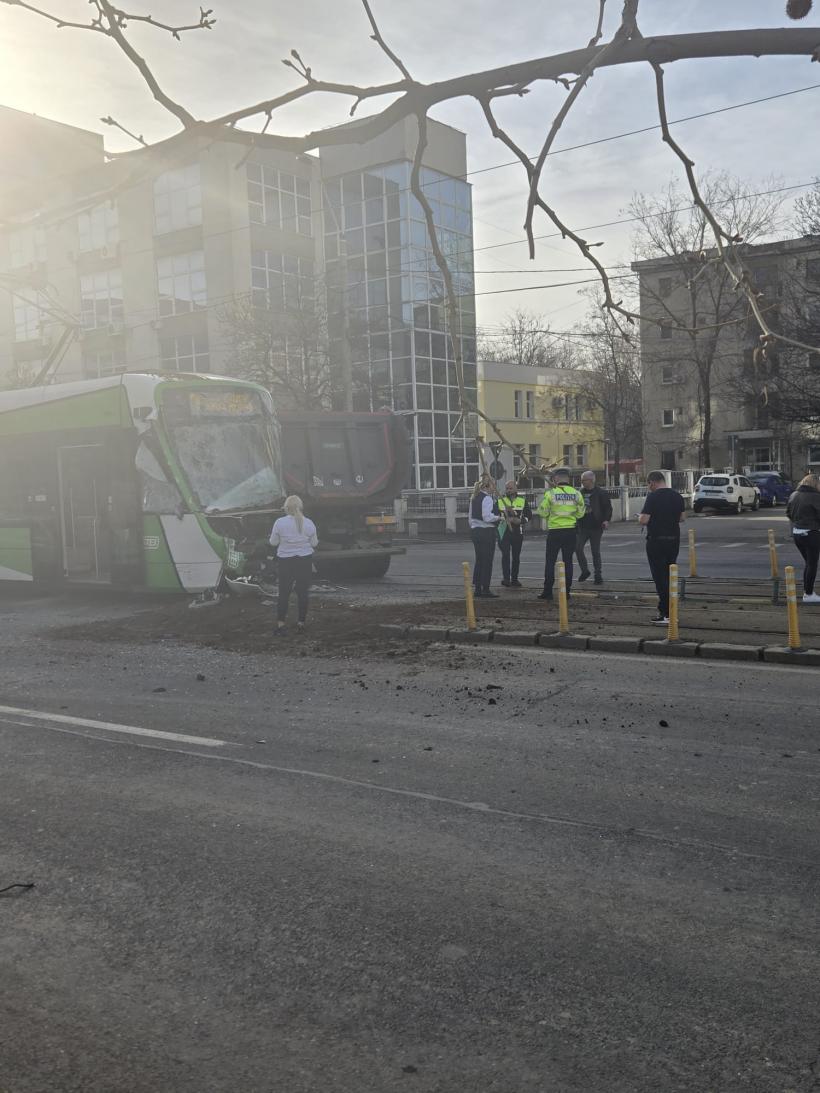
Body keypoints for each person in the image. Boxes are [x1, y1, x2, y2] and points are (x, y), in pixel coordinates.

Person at [638, 471, 685, 624]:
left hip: (656, 541)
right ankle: (671, 610)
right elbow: (682, 518)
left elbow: (644, 520)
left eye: (648, 484)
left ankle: (666, 613)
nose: (648, 487)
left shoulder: (653, 497)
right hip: (674, 540)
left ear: (652, 482)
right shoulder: (677, 496)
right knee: (670, 576)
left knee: (660, 578)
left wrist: (640, 517)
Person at [270, 495, 318, 634]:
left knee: (284, 593)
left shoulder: (279, 522)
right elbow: (314, 543)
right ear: (300, 507)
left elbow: (273, 542)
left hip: (286, 561)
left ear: (286, 507)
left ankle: (281, 624)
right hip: (304, 560)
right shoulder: (309, 523)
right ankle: (301, 623)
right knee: (303, 592)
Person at [537, 468, 586, 601]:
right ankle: (566, 592)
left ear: (556, 479)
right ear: (568, 479)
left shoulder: (551, 493)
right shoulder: (576, 494)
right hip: (570, 532)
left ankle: (547, 591)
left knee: (550, 562)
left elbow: (542, 512)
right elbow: (580, 514)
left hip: (555, 531)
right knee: (568, 562)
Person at [786, 473, 820, 603]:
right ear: (815, 484)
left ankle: (807, 592)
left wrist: (799, 521)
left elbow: (788, 513)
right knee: (812, 564)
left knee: (809, 563)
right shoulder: (816, 497)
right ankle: (809, 594)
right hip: (811, 533)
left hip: (797, 533)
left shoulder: (794, 495)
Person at [575, 470, 613, 585]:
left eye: (584, 480)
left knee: (595, 551)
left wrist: (606, 520)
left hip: (596, 526)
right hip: (582, 527)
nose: (582, 482)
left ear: (591, 480)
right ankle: (585, 571)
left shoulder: (601, 493)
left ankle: (598, 575)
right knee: (578, 548)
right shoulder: (579, 493)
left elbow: (608, 508)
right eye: (581, 480)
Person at [497, 480, 533, 588]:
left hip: (517, 532)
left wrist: (521, 521)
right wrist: (505, 519)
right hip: (504, 531)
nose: (508, 490)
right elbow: (495, 515)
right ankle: (506, 579)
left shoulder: (522, 501)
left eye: (510, 488)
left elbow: (529, 515)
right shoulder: (500, 501)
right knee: (505, 555)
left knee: (516, 557)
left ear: (516, 489)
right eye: (507, 488)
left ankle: (514, 579)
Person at [469, 475, 500, 598]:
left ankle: (477, 588)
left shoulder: (474, 497)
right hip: (486, 532)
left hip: (476, 531)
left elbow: (470, 518)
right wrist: (499, 518)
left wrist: (474, 526)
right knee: (487, 561)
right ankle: (485, 588)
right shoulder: (487, 498)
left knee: (479, 560)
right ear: (488, 486)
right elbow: (487, 517)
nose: (495, 487)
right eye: (493, 485)